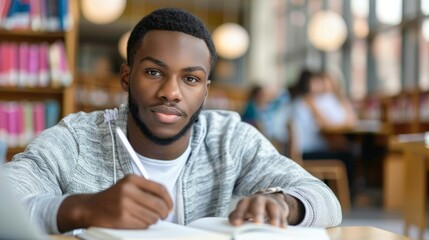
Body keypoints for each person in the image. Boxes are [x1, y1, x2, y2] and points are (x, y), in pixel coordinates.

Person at [2, 8, 341, 235]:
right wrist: (83, 209)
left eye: (191, 79)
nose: (171, 92)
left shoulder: (230, 139)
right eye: (153, 72)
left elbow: (325, 200)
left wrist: (283, 203)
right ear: (126, 77)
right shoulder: (76, 140)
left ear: (206, 91)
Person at [290, 69, 356, 192]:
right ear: (309, 84)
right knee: (346, 156)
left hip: (302, 150)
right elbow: (327, 124)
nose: (322, 85)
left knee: (344, 149)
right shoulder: (309, 102)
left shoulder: (300, 102)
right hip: (306, 153)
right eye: (318, 82)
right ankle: (346, 194)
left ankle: (336, 191)